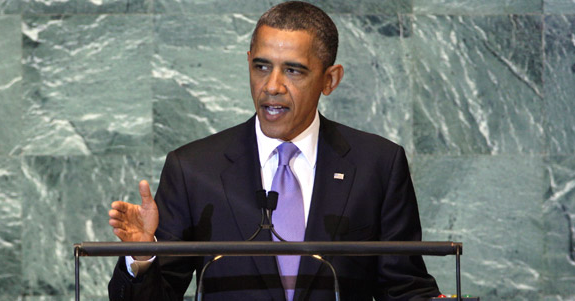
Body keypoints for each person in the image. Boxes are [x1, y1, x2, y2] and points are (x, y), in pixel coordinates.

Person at [108, 1, 440, 300]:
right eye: (262, 67)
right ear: (248, 63)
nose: (272, 86)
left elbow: (405, 287)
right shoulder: (194, 169)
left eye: (293, 70)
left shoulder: (377, 165)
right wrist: (142, 254)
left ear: (330, 80)